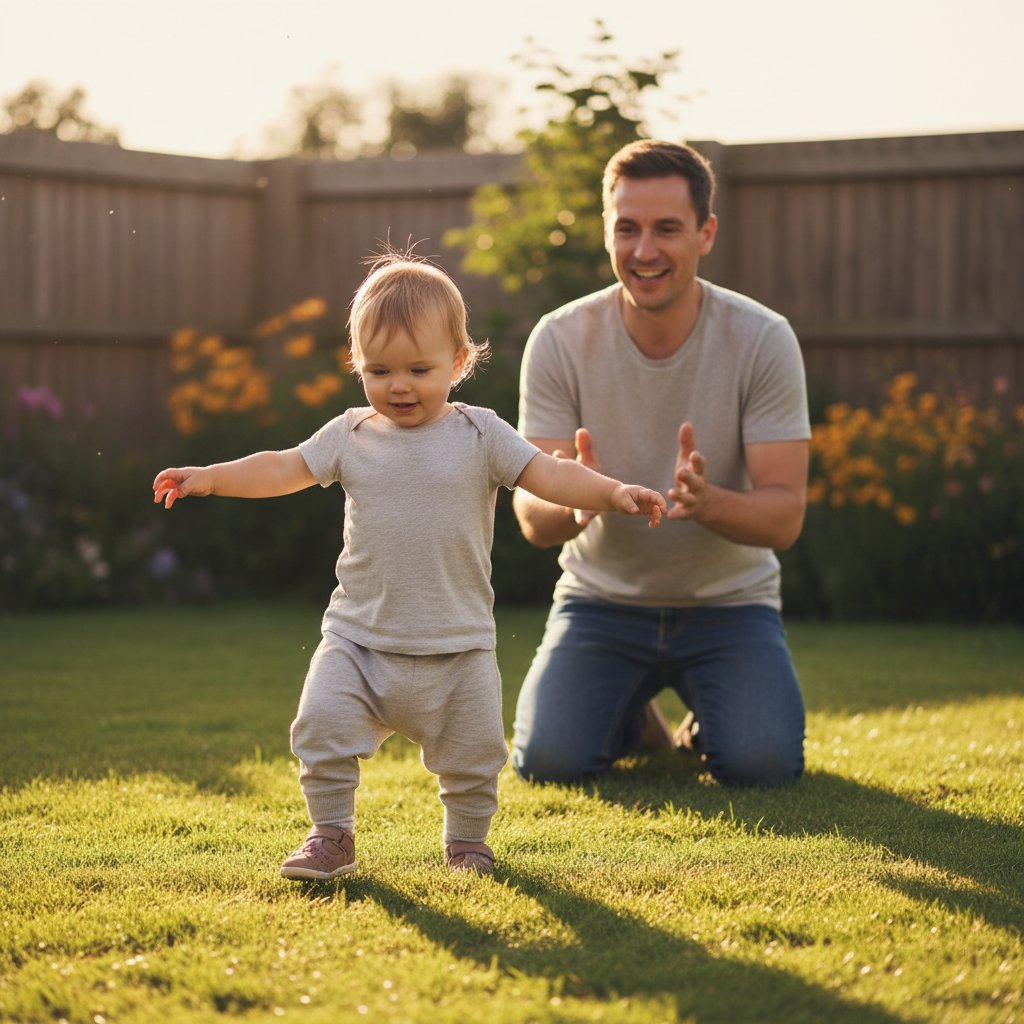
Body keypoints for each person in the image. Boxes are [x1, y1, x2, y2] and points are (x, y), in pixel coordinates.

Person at [152, 254, 667, 880]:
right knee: (321, 727)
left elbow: (549, 472)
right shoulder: (351, 434)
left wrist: (612, 493)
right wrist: (210, 478)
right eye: (380, 370)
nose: (400, 386)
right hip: (359, 640)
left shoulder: (483, 435)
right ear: (356, 366)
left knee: (475, 756)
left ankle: (468, 843)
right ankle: (330, 835)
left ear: (458, 362)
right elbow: (282, 467)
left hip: (457, 648)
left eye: (419, 370)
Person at [510, 139, 811, 789]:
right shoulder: (559, 340)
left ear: (706, 234)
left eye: (667, 229)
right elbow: (532, 518)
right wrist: (572, 500)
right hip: (600, 604)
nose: (644, 250)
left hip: (731, 607)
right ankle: (631, 714)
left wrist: (709, 504)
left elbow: (785, 516)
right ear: (607, 232)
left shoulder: (762, 339)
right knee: (549, 763)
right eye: (628, 228)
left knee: (761, 765)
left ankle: (712, 716)